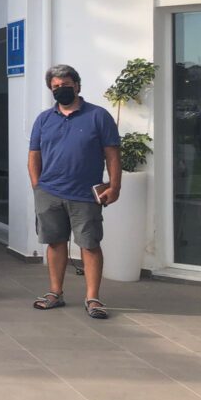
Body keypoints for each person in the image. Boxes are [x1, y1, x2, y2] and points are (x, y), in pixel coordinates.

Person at [29, 64, 121, 319]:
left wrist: (115, 186)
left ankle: (93, 298)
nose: (61, 89)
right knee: (55, 243)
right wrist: (37, 186)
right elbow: (34, 155)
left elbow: (112, 155)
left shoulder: (98, 116)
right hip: (49, 192)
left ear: (77, 86)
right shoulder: (44, 119)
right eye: (55, 86)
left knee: (89, 245)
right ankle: (55, 293)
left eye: (66, 85)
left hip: (85, 194)